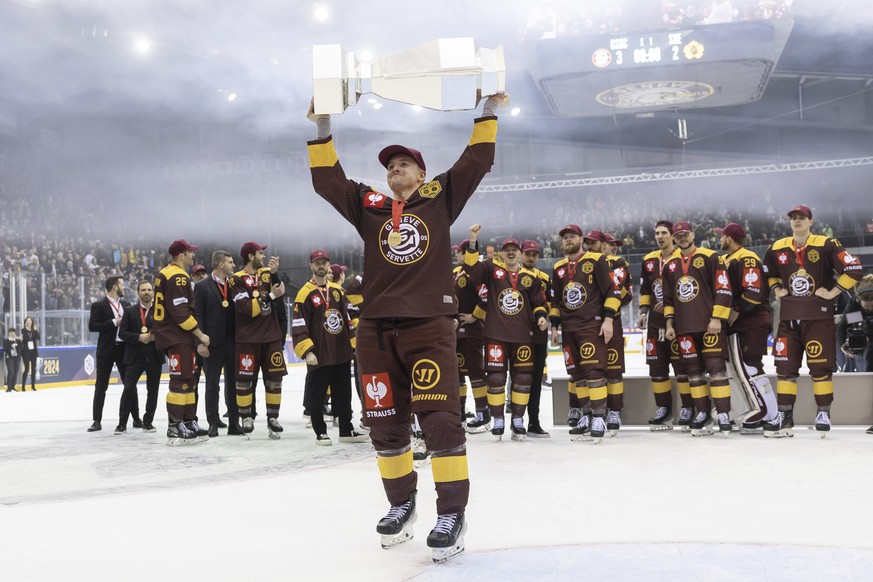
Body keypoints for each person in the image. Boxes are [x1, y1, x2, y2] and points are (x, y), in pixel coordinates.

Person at [306, 92, 507, 562]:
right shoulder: (370, 206)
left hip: (428, 324)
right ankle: (401, 504)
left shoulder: (440, 199)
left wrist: (488, 110)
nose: (394, 169)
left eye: (404, 164)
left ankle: (451, 513)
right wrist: (322, 125)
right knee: (383, 422)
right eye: (389, 165)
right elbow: (327, 181)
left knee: (438, 419)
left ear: (421, 173)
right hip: (374, 328)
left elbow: (476, 159)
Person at [763, 205, 863, 436]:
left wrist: (832, 292)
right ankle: (784, 416)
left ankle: (823, 413)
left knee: (820, 368)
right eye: (793, 218)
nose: (797, 221)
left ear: (810, 221)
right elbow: (768, 271)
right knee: (785, 369)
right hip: (788, 319)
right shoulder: (777, 247)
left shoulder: (827, 244)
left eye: (801, 218)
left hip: (818, 317)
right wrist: (776, 288)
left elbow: (854, 270)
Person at [463, 228, 549, 441]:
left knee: (522, 378)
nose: (511, 253)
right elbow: (471, 267)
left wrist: (541, 317)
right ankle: (499, 419)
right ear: (501, 254)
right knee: (496, 378)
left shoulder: (531, 278)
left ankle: (518, 420)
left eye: (514, 249)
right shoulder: (492, 271)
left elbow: (538, 303)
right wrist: (473, 242)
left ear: (520, 254)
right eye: (507, 250)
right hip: (496, 336)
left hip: (523, 337)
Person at [549, 224, 622, 444]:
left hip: (591, 325)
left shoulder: (596, 260)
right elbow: (555, 300)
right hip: (568, 329)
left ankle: (599, 418)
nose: (568, 240)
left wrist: (608, 319)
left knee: (594, 372)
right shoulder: (559, 267)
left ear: (581, 239)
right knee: (577, 375)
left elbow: (612, 291)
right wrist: (554, 326)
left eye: (572, 236)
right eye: (565, 238)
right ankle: (588, 415)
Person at [663, 221, 734, 436]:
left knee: (717, 370)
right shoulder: (670, 265)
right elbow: (668, 299)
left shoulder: (711, 257)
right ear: (674, 239)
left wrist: (716, 318)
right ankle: (702, 412)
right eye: (678, 235)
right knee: (693, 372)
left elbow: (723, 288)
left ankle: (723, 413)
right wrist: (669, 324)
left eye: (685, 234)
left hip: (709, 325)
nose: (682, 238)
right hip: (684, 328)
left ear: (693, 234)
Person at [292, 249, 368, 445]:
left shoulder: (337, 291)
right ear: (311, 266)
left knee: (344, 393)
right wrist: (307, 351)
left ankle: (346, 429)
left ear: (328, 265)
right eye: (317, 262)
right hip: (319, 353)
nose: (321, 266)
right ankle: (320, 431)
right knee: (317, 395)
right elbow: (300, 324)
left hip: (340, 351)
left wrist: (354, 346)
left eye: (324, 262)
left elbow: (348, 320)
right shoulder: (304, 293)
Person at [717, 222, 782, 436]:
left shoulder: (746, 258)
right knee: (745, 367)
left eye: (722, 236)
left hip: (749, 322)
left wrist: (736, 309)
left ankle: (768, 412)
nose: (719, 239)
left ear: (729, 238)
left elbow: (753, 291)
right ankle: (765, 414)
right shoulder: (729, 259)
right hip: (742, 324)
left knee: (751, 367)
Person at [153, 239, 211, 445]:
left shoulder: (167, 273)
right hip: (176, 335)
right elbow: (179, 312)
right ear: (181, 255)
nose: (192, 255)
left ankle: (188, 420)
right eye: (189, 252)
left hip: (175, 336)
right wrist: (199, 334)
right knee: (180, 380)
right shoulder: (177, 276)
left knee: (188, 378)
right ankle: (175, 425)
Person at [638, 220, 693, 430]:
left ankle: (688, 407)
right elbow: (645, 290)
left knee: (682, 366)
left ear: (672, 236)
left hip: (679, 323)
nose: (660, 237)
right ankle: (663, 409)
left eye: (664, 233)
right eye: (657, 233)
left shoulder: (684, 257)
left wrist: (672, 304)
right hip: (655, 323)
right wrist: (643, 312)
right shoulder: (649, 260)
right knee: (657, 367)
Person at [228, 241, 287, 438]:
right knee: (244, 381)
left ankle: (273, 418)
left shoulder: (266, 275)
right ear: (251, 256)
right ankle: (246, 417)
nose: (263, 257)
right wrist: (271, 294)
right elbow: (248, 308)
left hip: (271, 337)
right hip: (247, 339)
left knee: (274, 380)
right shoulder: (235, 280)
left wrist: (275, 273)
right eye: (260, 253)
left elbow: (281, 291)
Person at [194, 250, 244, 437]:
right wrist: (200, 341)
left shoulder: (234, 285)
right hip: (211, 343)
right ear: (221, 264)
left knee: (233, 385)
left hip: (232, 342)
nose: (233, 265)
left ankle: (233, 423)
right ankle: (213, 422)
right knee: (212, 385)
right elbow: (197, 315)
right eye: (230, 262)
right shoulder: (201, 287)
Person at [87, 275, 138, 432]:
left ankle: (136, 418)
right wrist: (113, 322)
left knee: (130, 385)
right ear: (115, 287)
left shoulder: (127, 305)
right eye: (122, 284)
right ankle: (97, 420)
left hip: (124, 349)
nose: (124, 287)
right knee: (101, 386)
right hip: (106, 350)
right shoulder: (99, 306)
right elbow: (92, 326)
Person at [115, 281, 164, 434]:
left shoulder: (160, 311)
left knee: (153, 391)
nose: (146, 292)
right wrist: (139, 337)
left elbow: (168, 330)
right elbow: (122, 333)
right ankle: (122, 423)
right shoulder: (130, 311)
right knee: (128, 389)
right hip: (134, 357)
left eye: (149, 289)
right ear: (138, 293)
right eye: (143, 290)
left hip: (154, 356)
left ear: (153, 293)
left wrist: (158, 337)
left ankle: (148, 422)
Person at [452, 239, 489, 434]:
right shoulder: (455, 273)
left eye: (459, 252)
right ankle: (460, 414)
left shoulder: (476, 272)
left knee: (476, 371)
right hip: (456, 332)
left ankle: (483, 412)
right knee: (457, 374)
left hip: (473, 331)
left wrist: (475, 316)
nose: (456, 256)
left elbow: (486, 296)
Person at [601, 232, 633, 435]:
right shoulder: (589, 263)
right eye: (610, 244)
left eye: (616, 245)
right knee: (593, 371)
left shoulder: (621, 263)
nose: (614, 248)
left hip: (614, 321)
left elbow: (628, 296)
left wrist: (614, 286)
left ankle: (614, 411)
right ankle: (595, 411)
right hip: (589, 323)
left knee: (614, 369)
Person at [520, 239, 552, 437]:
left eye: (534, 254)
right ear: (522, 254)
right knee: (517, 379)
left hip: (539, 336)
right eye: (528, 253)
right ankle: (516, 420)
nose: (531, 257)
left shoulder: (545, 278)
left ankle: (533, 422)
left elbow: (551, 303)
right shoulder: (511, 276)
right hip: (518, 335)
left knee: (536, 380)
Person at [836, 274, 873, 376]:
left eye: (872, 306)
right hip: (860, 316)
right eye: (866, 306)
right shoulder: (854, 305)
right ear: (859, 301)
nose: (870, 309)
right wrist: (843, 345)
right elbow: (842, 326)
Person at [20, 316, 39, 391]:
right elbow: (25, 339)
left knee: (33, 368)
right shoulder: (23, 330)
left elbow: (38, 337)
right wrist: (27, 330)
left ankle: (33, 385)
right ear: (25, 322)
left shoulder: (34, 331)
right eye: (27, 320)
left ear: (32, 322)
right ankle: (23, 386)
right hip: (26, 351)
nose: (29, 321)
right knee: (27, 368)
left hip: (33, 351)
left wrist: (35, 330)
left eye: (30, 320)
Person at [3, 328, 21, 392]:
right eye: (11, 332)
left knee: (15, 372)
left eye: (13, 332)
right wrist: (11, 345)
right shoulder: (6, 341)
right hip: (9, 358)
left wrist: (19, 342)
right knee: (11, 372)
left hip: (16, 358)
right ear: (8, 333)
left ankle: (13, 386)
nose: (12, 333)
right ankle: (9, 387)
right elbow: (5, 348)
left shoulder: (17, 340)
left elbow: (21, 347)